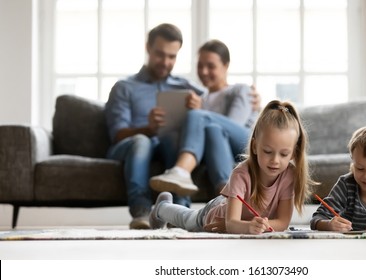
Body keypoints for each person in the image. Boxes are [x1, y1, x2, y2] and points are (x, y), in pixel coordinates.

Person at [105, 24, 260, 229]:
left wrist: (257, 103)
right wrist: (148, 128)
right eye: (160, 54)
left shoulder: (185, 87)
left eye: (172, 56)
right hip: (135, 145)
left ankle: (179, 211)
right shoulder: (124, 87)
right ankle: (142, 211)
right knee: (141, 141)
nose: (166, 62)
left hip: (169, 145)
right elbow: (117, 134)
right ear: (147, 48)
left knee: (173, 139)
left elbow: (213, 102)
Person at [148, 100, 317, 234]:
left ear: (293, 154)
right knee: (188, 219)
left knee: (188, 218)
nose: (275, 160)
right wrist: (249, 227)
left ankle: (163, 208)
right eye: (267, 151)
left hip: (237, 215)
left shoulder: (289, 176)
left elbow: (282, 222)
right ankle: (161, 208)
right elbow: (231, 222)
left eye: (284, 154)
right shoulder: (241, 173)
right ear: (255, 147)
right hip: (217, 215)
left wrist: (260, 226)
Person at [149, 39, 258, 199]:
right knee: (212, 130)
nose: (204, 71)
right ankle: (225, 198)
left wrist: (200, 112)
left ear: (226, 66)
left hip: (246, 143)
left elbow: (233, 126)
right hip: (219, 147)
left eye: (211, 66)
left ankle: (182, 170)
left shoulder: (240, 90)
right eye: (200, 66)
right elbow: (213, 135)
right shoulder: (201, 98)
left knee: (201, 119)